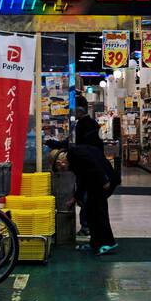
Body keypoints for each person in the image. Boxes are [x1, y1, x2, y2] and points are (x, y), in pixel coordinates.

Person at [44, 96, 103, 237]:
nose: (73, 112)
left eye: (74, 109)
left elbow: (75, 145)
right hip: (92, 165)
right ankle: (89, 226)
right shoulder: (91, 124)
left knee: (86, 196)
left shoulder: (83, 125)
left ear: (80, 109)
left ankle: (87, 226)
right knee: (86, 196)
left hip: (88, 166)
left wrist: (57, 145)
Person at [50, 144, 119, 256]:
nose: (63, 170)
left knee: (99, 211)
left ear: (60, 162)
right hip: (97, 182)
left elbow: (93, 163)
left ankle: (107, 243)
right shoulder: (74, 160)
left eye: (60, 169)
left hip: (104, 181)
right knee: (91, 211)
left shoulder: (75, 154)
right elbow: (82, 180)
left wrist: (103, 179)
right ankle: (95, 243)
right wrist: (76, 198)